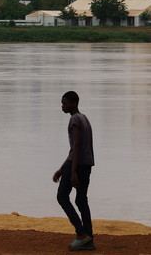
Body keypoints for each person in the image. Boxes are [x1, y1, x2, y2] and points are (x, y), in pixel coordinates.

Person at [52, 90, 95, 251]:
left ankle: (81, 233)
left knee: (62, 196)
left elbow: (76, 146)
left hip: (77, 164)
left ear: (74, 103)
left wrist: (73, 171)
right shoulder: (84, 118)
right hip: (87, 164)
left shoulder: (74, 120)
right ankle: (89, 238)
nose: (63, 106)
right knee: (81, 200)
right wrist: (61, 169)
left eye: (65, 103)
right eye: (62, 103)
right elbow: (76, 148)